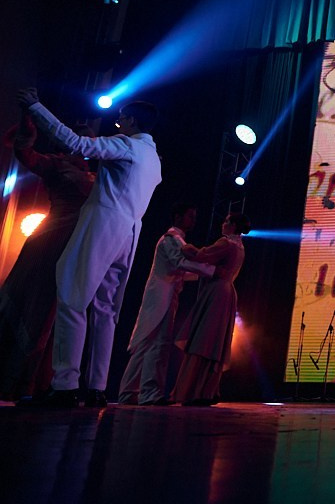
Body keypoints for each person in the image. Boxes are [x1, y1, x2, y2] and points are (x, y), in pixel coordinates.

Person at [16, 89, 162, 408]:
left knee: (72, 294)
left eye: (121, 119)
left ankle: (65, 385)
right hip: (129, 231)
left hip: (103, 221)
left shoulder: (127, 145)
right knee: (106, 310)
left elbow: (76, 144)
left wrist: (36, 107)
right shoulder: (153, 158)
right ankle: (96, 387)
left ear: (131, 121)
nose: (118, 123)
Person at [0, 115, 93, 401]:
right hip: (49, 240)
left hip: (74, 244)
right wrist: (27, 131)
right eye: (85, 138)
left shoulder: (95, 172)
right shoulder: (56, 163)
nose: (89, 143)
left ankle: (43, 384)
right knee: (35, 304)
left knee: (61, 309)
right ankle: (16, 381)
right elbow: (26, 155)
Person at [118, 203, 215, 405]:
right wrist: (210, 270)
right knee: (158, 344)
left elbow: (180, 269)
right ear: (178, 216)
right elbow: (180, 262)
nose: (193, 221)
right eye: (190, 216)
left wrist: (202, 273)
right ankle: (150, 393)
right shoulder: (171, 239)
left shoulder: (175, 239)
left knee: (146, 343)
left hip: (162, 295)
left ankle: (129, 392)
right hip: (162, 296)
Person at [171, 211, 250, 406]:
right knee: (215, 341)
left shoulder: (226, 243)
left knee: (204, 340)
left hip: (217, 293)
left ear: (233, 225)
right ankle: (207, 389)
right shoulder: (240, 247)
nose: (223, 224)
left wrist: (182, 245)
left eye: (226, 221)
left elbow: (201, 255)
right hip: (227, 292)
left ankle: (193, 390)